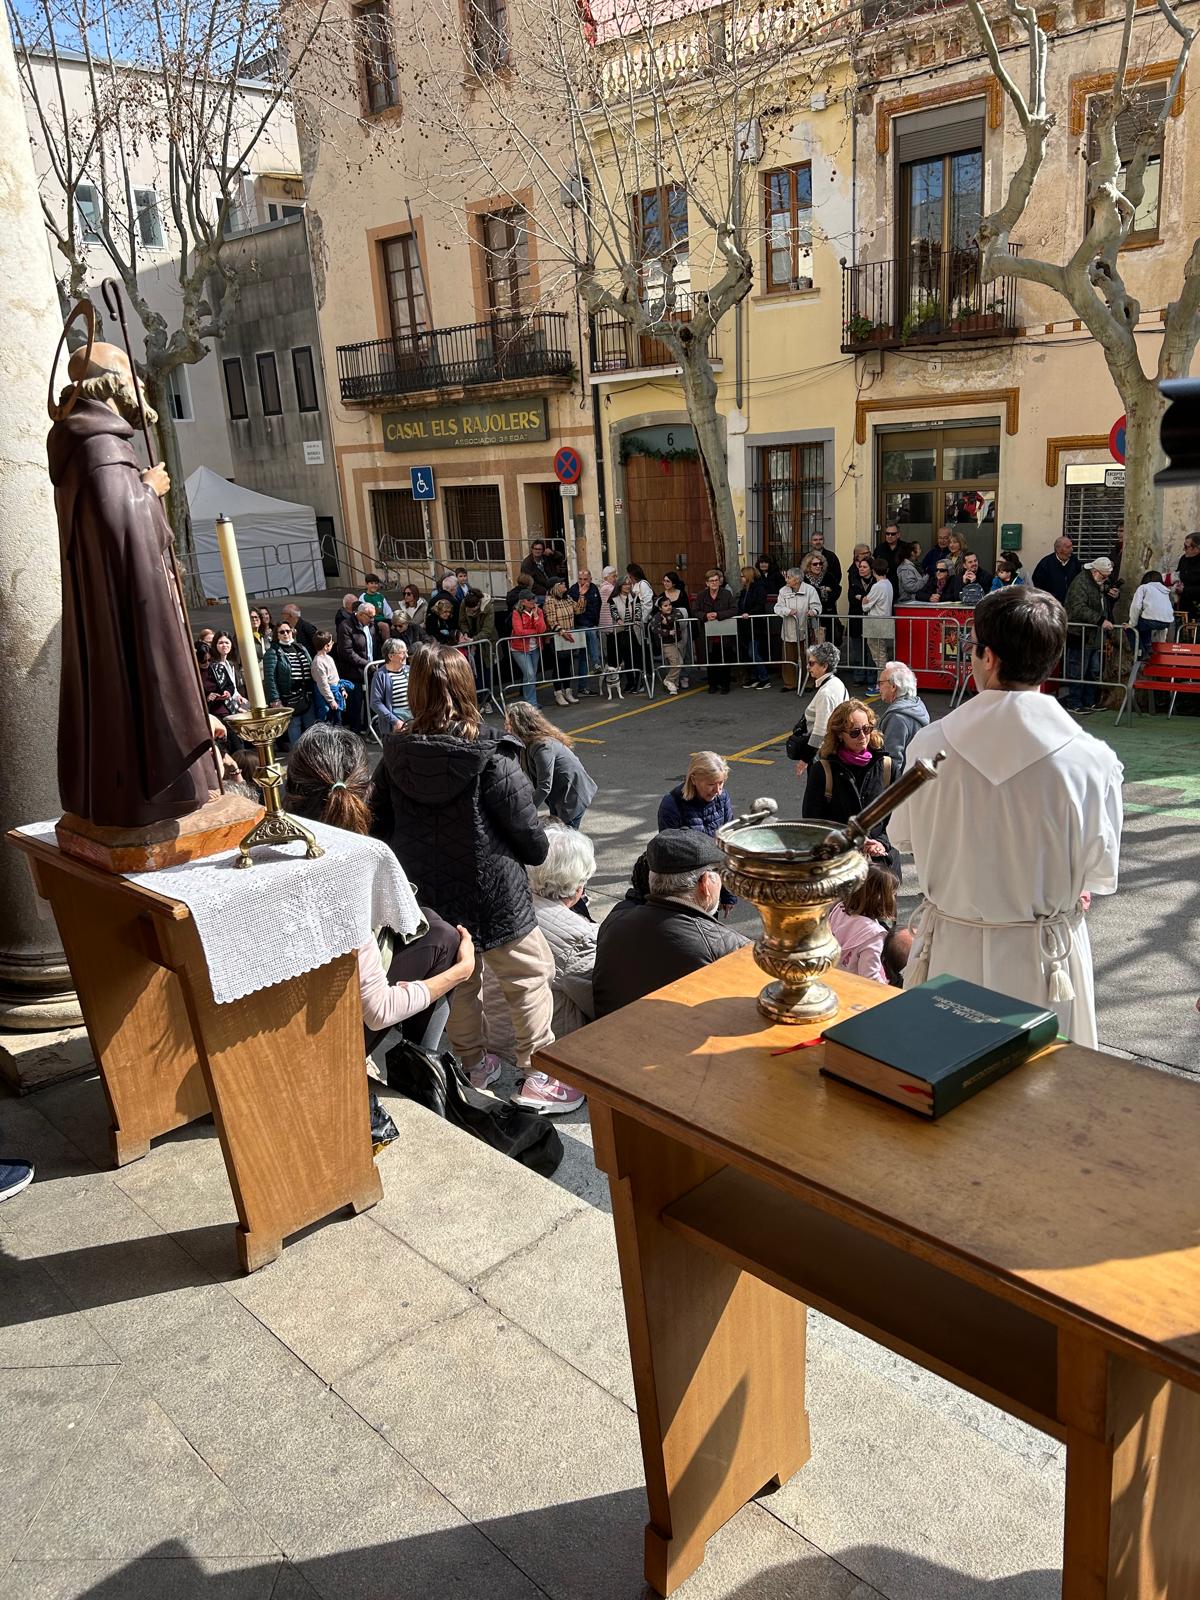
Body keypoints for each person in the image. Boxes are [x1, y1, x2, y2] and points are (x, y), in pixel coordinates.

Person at [891, 586, 1122, 1047]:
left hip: (952, 952)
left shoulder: (929, 747)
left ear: (989, 657)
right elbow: (1100, 872)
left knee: (945, 1069)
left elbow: (903, 838)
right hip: (1042, 960)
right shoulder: (1092, 762)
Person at [370, 646, 582, 1113]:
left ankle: (473, 1063)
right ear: (467, 686)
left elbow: (378, 824)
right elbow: (529, 837)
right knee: (528, 976)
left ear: (415, 689)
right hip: (496, 894)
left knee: (460, 982)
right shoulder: (492, 756)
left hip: (433, 896)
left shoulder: (395, 756)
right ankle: (539, 1073)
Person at [48, 338, 219, 827]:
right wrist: (149, 490)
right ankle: (156, 791)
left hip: (106, 605)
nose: (142, 383)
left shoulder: (81, 445)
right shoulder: (100, 447)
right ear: (108, 384)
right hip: (126, 610)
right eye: (130, 373)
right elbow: (121, 530)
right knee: (136, 694)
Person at [285, 724, 475, 1144]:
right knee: (444, 939)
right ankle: (418, 1069)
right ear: (365, 790)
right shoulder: (354, 865)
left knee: (428, 921)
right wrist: (459, 973)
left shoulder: (269, 844)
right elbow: (379, 1010)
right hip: (319, 1042)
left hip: (283, 1016)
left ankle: (412, 1062)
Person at [592, 830, 748, 1018]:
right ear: (705, 883)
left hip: (610, 1032)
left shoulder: (615, 921)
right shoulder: (728, 947)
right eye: (718, 872)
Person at [483, 827, 599, 1067]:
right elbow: (600, 1003)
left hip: (489, 1036)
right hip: (537, 1053)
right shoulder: (578, 937)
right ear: (579, 888)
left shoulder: (497, 903)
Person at [802, 698, 898, 874]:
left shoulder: (887, 766)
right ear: (839, 734)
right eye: (854, 732)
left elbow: (898, 816)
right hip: (841, 868)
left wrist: (881, 843)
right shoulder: (823, 770)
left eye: (867, 729)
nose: (863, 737)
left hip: (880, 868)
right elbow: (813, 824)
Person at [505, 701, 597, 828]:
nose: (506, 728)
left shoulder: (542, 746)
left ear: (520, 725)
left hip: (571, 797)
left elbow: (544, 786)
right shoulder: (526, 743)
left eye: (509, 724)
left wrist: (527, 812)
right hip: (559, 796)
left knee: (566, 834)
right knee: (558, 830)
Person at [829, 861, 898, 984]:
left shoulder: (839, 908)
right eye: (892, 893)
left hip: (832, 977)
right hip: (853, 988)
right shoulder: (874, 935)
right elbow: (870, 978)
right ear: (882, 898)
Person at [786, 641, 848, 770]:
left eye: (811, 663)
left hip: (823, 755)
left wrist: (805, 760)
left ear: (824, 666)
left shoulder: (826, 693)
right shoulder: (836, 682)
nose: (808, 667)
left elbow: (820, 732)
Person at [1064, 557, 1114, 714]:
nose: (1105, 580)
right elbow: (1078, 608)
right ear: (1095, 571)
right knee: (1078, 670)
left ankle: (1089, 701)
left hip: (1093, 634)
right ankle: (1074, 702)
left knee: (1093, 670)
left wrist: (1110, 593)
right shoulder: (1080, 583)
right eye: (1104, 577)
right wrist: (1100, 620)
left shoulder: (1095, 583)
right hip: (1080, 634)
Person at [264, 616, 315, 748]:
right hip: (288, 697)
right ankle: (297, 755)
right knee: (294, 727)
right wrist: (275, 699)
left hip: (306, 694)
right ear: (277, 635)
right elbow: (270, 678)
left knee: (311, 727)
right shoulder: (273, 652)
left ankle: (312, 754)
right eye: (282, 632)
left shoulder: (300, 647)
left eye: (288, 631)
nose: (286, 634)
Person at [658, 751, 733, 838]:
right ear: (693, 780)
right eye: (711, 784)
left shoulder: (723, 797)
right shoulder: (672, 804)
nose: (718, 791)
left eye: (721, 783)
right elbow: (667, 844)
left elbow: (730, 835)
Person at [876, 660, 929, 776]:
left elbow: (891, 762)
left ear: (893, 686)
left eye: (881, 683)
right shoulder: (917, 705)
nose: (878, 687)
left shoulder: (897, 717)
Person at [334, 601, 376, 732]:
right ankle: (355, 731)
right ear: (361, 614)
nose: (372, 620)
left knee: (371, 702)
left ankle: (369, 728)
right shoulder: (346, 626)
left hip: (370, 670)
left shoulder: (371, 626)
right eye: (370, 617)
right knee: (355, 705)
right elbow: (347, 652)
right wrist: (366, 663)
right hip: (353, 673)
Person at [544, 578, 584, 705]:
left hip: (569, 635)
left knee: (567, 665)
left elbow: (579, 610)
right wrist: (562, 632)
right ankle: (558, 693)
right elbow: (551, 620)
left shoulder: (568, 598)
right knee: (559, 665)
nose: (564, 584)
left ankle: (568, 691)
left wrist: (582, 595)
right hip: (558, 637)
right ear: (555, 587)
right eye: (561, 583)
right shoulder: (550, 600)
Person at [699, 567, 737, 694]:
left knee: (725, 659)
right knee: (711, 660)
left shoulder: (726, 594)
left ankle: (725, 685)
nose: (714, 583)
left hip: (724, 633)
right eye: (711, 581)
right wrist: (705, 616)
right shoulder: (701, 596)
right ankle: (712, 685)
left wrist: (718, 615)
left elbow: (734, 609)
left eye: (716, 580)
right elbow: (695, 611)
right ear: (707, 583)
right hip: (709, 635)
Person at [508, 589, 547, 706]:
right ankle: (531, 702)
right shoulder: (516, 613)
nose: (533, 601)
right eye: (530, 599)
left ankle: (529, 701)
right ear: (523, 602)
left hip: (535, 647)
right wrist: (535, 632)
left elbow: (542, 629)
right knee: (529, 674)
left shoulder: (538, 611)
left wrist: (536, 616)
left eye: (533, 599)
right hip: (519, 649)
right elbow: (519, 631)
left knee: (531, 675)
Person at [736, 564, 772, 688]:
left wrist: (749, 613)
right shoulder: (744, 591)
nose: (741, 578)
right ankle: (756, 677)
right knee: (750, 653)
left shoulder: (758, 588)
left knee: (754, 652)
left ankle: (764, 677)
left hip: (755, 626)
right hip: (746, 626)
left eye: (742, 576)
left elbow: (760, 605)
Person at [862, 558, 895, 692]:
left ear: (873, 571)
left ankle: (881, 684)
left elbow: (866, 606)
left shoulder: (877, 586)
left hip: (875, 623)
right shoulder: (889, 584)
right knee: (882, 653)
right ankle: (882, 683)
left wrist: (863, 601)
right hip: (885, 621)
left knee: (879, 656)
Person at [607, 575, 645, 691]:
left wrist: (637, 620)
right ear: (620, 586)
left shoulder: (635, 597)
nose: (628, 586)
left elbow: (638, 610)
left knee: (637, 658)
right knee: (627, 658)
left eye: (629, 584)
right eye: (625, 584)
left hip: (634, 632)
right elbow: (614, 612)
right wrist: (619, 621)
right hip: (621, 633)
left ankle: (639, 683)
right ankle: (630, 682)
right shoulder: (613, 599)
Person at [370, 637, 412, 737]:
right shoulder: (380, 675)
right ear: (391, 656)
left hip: (413, 719)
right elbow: (375, 703)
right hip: (396, 724)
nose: (406, 655)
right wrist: (395, 721)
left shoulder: (409, 670)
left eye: (406, 652)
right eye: (402, 653)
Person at [1128, 569, 1176, 655]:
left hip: (1150, 621)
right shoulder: (1165, 591)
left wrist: (1131, 624)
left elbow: (1136, 607)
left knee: (1131, 628)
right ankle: (1148, 646)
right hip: (1167, 622)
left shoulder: (1143, 588)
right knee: (1144, 623)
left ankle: (1140, 653)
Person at [569, 568, 603, 683]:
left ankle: (583, 687)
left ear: (590, 579)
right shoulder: (573, 590)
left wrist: (595, 622)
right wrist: (581, 594)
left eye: (585, 579)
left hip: (592, 624)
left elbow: (598, 605)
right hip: (580, 625)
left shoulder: (594, 588)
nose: (582, 582)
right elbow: (575, 610)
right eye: (580, 579)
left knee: (584, 656)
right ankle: (596, 663)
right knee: (591, 635)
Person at [203, 632, 246, 724]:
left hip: (234, 702)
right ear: (215, 645)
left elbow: (232, 686)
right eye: (220, 643)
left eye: (227, 642)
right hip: (221, 708)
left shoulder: (230, 664)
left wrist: (237, 695)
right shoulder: (212, 665)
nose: (224, 645)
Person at [845, 544, 873, 684]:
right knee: (857, 648)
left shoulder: (875, 576)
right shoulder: (853, 573)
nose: (868, 554)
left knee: (871, 649)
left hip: (871, 617)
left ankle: (871, 677)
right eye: (865, 553)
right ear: (857, 555)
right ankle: (859, 676)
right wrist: (861, 597)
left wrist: (860, 597)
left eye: (868, 552)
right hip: (856, 615)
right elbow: (851, 595)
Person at [650, 595, 688, 694]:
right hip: (667, 643)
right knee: (676, 663)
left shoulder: (675, 611)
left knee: (679, 662)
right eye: (665, 606)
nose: (669, 607)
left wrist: (667, 620)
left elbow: (680, 616)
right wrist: (668, 632)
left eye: (669, 604)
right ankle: (669, 680)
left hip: (678, 641)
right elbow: (654, 628)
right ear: (660, 608)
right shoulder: (657, 616)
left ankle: (673, 685)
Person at [1031, 536, 1082, 606]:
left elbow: (1079, 580)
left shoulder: (1074, 561)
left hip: (1071, 603)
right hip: (1052, 604)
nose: (1072, 549)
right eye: (1068, 547)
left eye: (1071, 546)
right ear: (1058, 550)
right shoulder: (1045, 564)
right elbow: (1038, 586)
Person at [310, 628, 344, 723]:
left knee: (338, 720)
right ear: (326, 646)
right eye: (331, 642)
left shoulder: (329, 658)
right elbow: (323, 684)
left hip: (335, 691)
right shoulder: (318, 662)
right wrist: (331, 700)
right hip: (325, 696)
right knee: (326, 720)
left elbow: (336, 677)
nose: (333, 643)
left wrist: (342, 688)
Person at [1173, 532, 1200, 621]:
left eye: (1186, 547)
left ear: (1197, 548)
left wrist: (1185, 590)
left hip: (1197, 608)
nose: (1184, 549)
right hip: (1183, 606)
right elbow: (1178, 575)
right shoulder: (1184, 559)